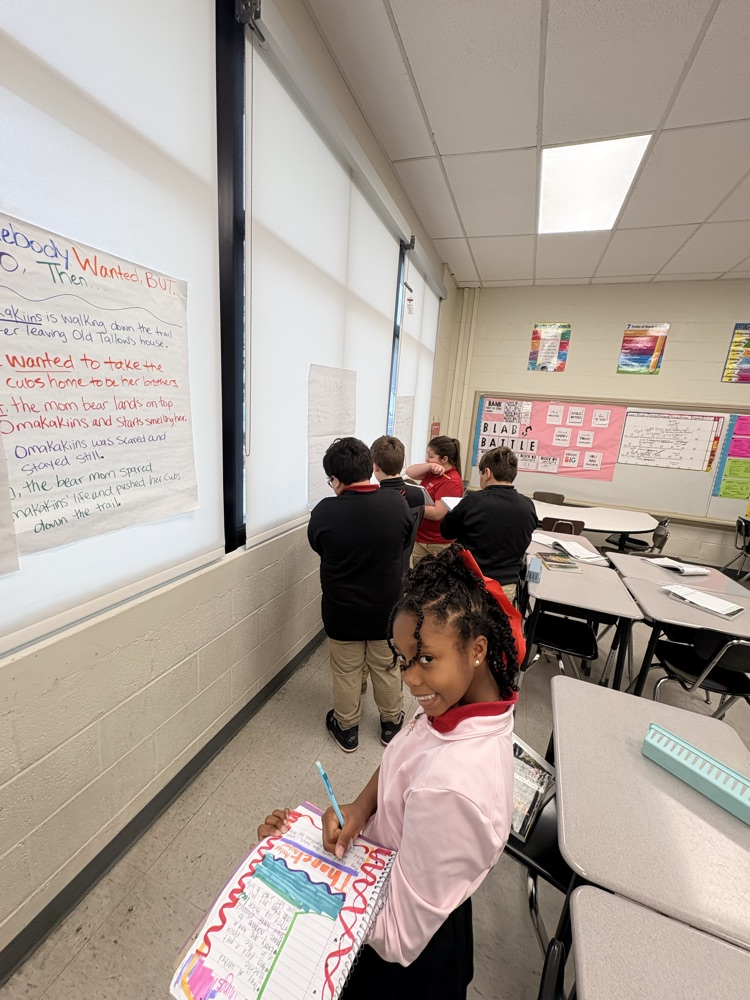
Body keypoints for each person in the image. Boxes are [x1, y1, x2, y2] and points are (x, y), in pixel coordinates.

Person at [258, 544, 524, 999]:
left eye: (425, 659)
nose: (409, 679)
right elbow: (406, 753)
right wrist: (362, 807)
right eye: (403, 660)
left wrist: (296, 877)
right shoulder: (459, 702)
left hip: (403, 957)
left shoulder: (453, 787)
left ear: (477, 649)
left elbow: (397, 935)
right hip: (408, 879)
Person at [307, 437, 413, 752]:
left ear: (336, 479)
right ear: (370, 469)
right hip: (387, 612)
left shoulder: (324, 512)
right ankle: (391, 724)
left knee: (346, 672)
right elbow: (404, 540)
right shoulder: (396, 504)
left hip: (342, 613)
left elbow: (318, 546)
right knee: (388, 668)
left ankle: (347, 728)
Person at [440, 445, 538, 602]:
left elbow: (446, 531)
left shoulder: (474, 501)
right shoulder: (527, 505)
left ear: (487, 473)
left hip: (470, 583)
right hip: (505, 587)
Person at [405, 435, 464, 564]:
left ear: (444, 459)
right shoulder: (434, 472)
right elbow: (409, 472)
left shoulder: (451, 481)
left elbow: (437, 513)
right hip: (421, 538)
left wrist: (410, 504)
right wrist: (429, 466)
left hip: (434, 543)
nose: (427, 459)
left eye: (431, 456)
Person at [371, 434, 425, 575]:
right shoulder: (419, 494)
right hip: (405, 569)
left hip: (380, 574)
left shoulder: (374, 499)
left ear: (375, 466)